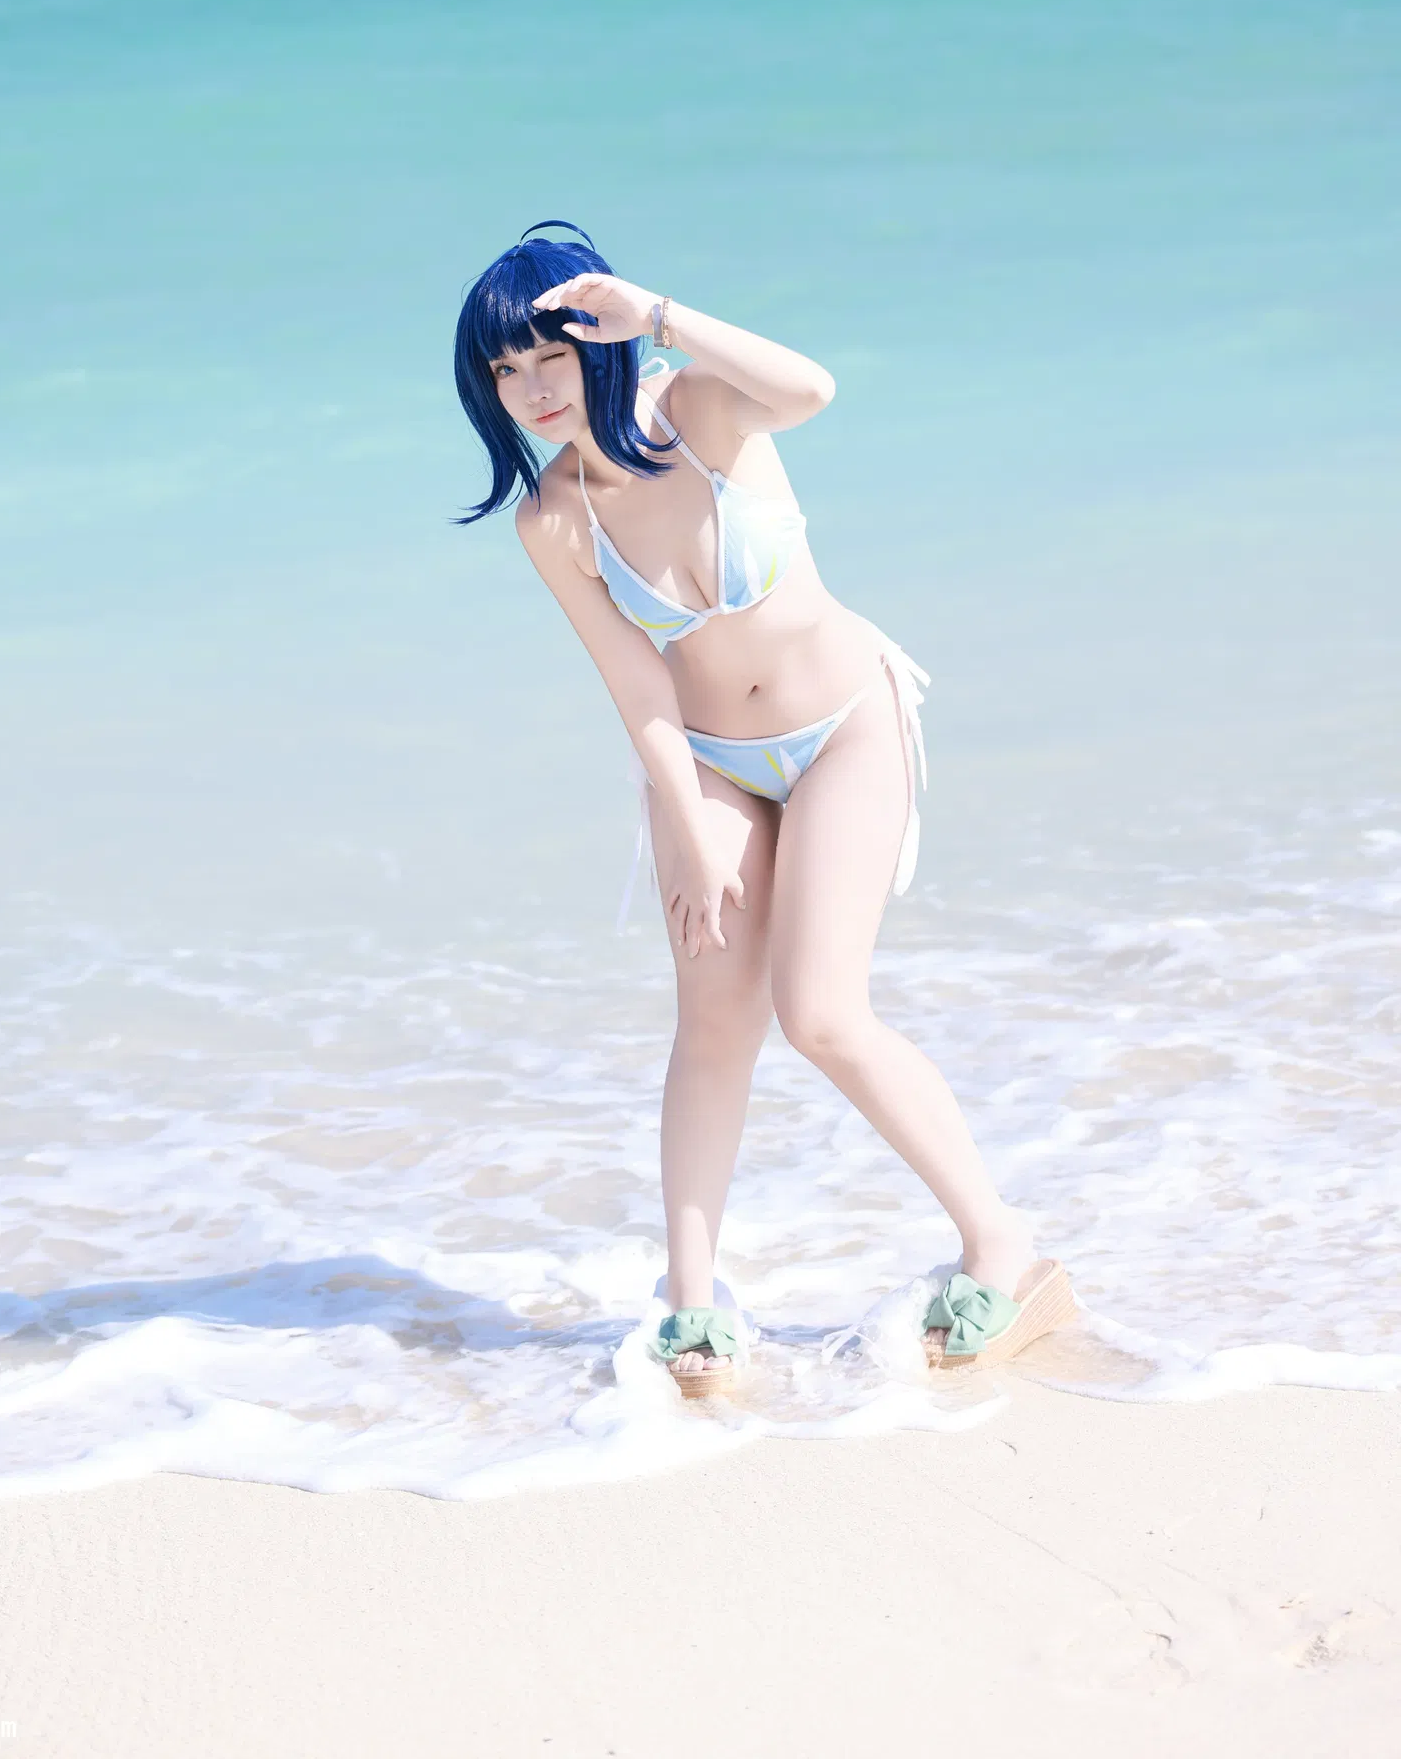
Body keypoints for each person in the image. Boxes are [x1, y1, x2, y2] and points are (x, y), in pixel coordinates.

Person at [454, 223, 1072, 1395]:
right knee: (713, 1017)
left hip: (842, 725)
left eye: (549, 354)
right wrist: (687, 827)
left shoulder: (701, 410)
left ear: (597, 340)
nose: (531, 388)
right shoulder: (554, 519)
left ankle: (1003, 1244)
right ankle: (693, 1302)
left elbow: (812, 388)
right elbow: (636, 683)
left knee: (821, 1012)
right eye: (504, 369)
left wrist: (658, 312)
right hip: (708, 760)